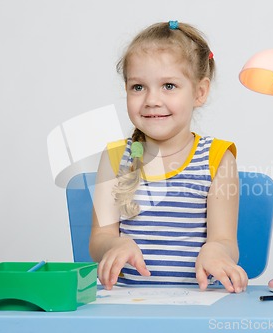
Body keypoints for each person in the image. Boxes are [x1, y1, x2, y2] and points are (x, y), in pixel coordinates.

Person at [89, 20, 247, 293]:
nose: (151, 99)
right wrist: (115, 244)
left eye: (169, 86)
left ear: (199, 92)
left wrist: (216, 250)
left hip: (198, 303)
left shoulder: (218, 158)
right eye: (138, 87)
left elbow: (225, 240)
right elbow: (99, 239)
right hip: (126, 305)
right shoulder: (115, 157)